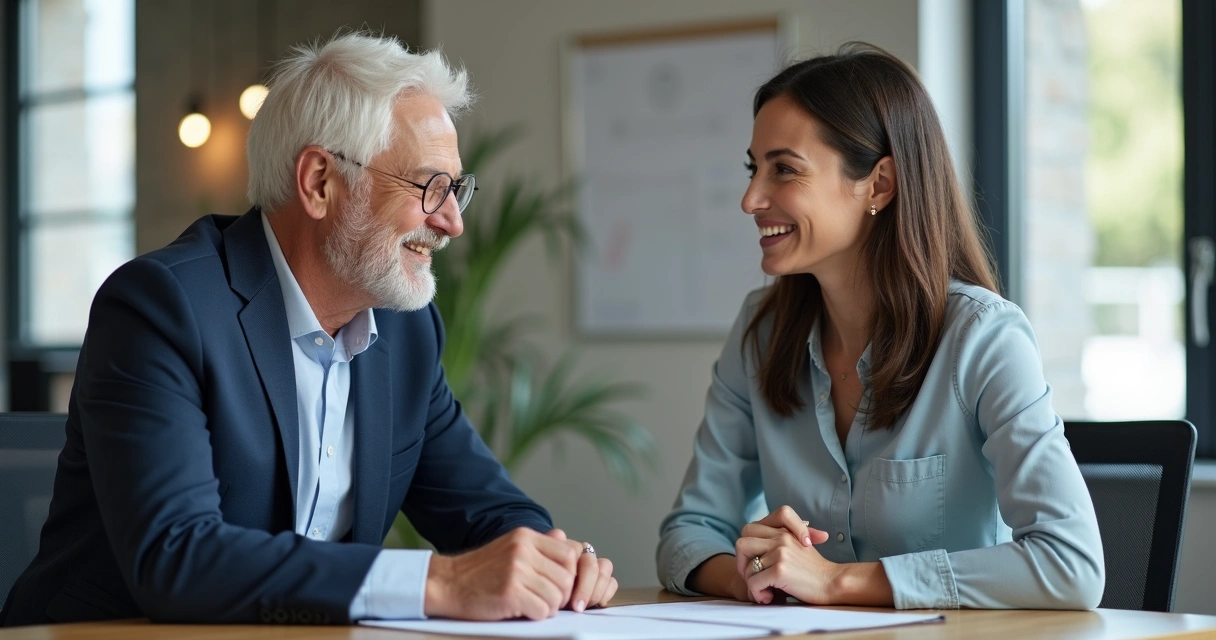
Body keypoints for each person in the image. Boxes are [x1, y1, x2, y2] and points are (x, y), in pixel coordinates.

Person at [0, 32, 616, 627]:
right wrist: (442, 584)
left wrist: (554, 561)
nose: (452, 222)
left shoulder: (406, 330)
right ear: (320, 182)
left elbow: (489, 510)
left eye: (456, 189)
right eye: (430, 186)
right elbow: (177, 556)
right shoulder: (163, 307)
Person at [656, 44, 1104, 611]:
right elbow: (688, 532)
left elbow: (1072, 564)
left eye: (784, 169)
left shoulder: (983, 338)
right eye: (754, 169)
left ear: (880, 184)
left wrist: (835, 581)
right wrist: (751, 573)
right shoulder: (759, 333)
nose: (751, 198)